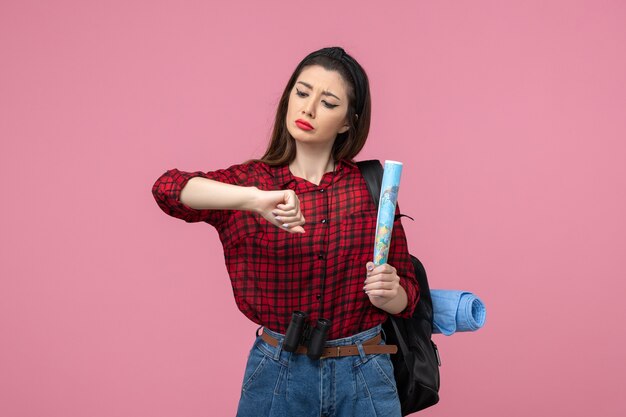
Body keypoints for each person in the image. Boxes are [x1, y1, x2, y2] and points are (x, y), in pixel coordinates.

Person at [152, 46, 419, 417]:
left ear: (347, 122)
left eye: (327, 102)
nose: (308, 109)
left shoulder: (372, 189)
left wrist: (394, 295)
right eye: (302, 92)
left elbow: (409, 290)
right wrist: (253, 200)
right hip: (277, 374)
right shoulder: (252, 184)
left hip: (365, 373)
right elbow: (167, 189)